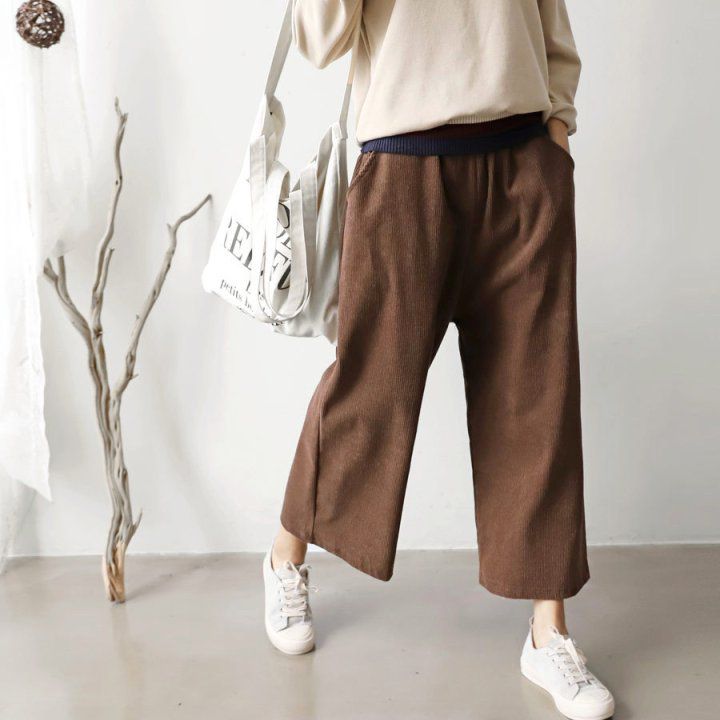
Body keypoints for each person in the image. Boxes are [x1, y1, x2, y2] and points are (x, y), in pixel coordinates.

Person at [262, 2, 615, 718]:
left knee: (538, 397)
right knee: (372, 387)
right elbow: (320, 43)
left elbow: (551, 24)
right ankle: (284, 555)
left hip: (522, 161)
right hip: (403, 168)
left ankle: (549, 632)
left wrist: (557, 132)